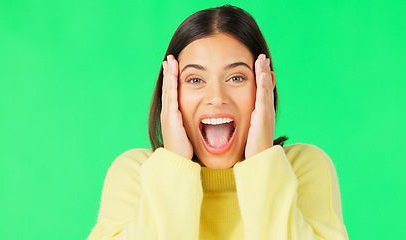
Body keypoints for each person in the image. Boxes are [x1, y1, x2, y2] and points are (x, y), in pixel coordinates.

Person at [88, 5, 348, 240]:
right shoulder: (137, 175)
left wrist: (262, 162)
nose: (216, 98)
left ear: (264, 86)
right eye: (195, 80)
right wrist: (174, 165)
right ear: (171, 92)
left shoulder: (302, 169)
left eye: (236, 78)